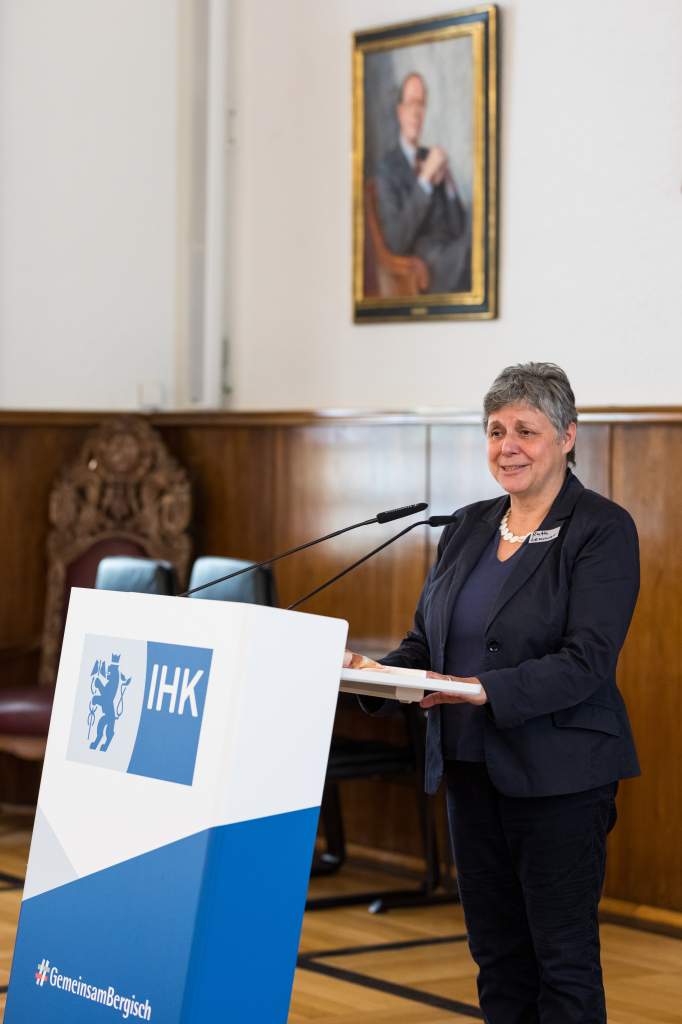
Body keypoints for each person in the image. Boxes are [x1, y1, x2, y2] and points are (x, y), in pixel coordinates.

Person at [345, 362, 640, 1024]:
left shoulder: (601, 528)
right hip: (470, 769)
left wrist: (480, 689)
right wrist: (374, 672)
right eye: (496, 430)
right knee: (497, 958)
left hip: (560, 777)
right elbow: (426, 643)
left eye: (526, 431)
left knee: (561, 963)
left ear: (567, 436)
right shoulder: (469, 526)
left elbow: (587, 661)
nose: (508, 446)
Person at [374, 71, 470, 293]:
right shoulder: (386, 168)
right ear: (400, 111)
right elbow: (396, 241)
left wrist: (448, 182)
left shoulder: (429, 156)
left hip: (451, 251)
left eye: (421, 105)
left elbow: (458, 227)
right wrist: (425, 179)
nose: (416, 113)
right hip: (427, 266)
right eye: (411, 104)